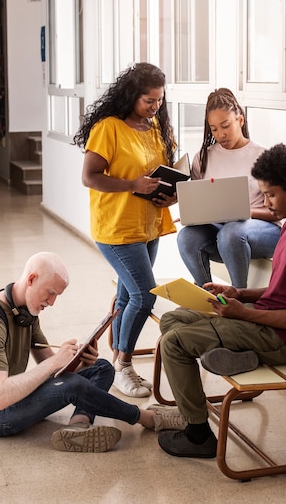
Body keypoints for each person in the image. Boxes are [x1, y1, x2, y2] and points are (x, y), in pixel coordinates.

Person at [157, 144, 286, 459]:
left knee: (174, 343)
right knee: (172, 319)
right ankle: (242, 355)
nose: (265, 203)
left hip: (280, 339)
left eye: (270, 195)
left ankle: (198, 434)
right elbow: (281, 291)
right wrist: (238, 293)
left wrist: (244, 314)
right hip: (261, 320)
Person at [0, 252, 187, 452]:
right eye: (50, 293)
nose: (52, 302)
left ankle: (79, 424)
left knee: (102, 367)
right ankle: (148, 418)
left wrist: (81, 363)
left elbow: (51, 367)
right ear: (32, 279)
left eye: (57, 295)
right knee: (73, 386)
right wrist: (57, 362)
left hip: (14, 396)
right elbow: (1, 396)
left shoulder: (25, 311)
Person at [73, 62, 178, 398]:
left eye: (160, 101)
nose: (155, 107)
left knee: (125, 294)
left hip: (147, 224)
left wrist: (168, 193)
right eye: (149, 100)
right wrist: (133, 184)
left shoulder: (154, 128)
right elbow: (90, 177)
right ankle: (123, 364)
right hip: (116, 228)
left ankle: (117, 358)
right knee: (144, 294)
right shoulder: (109, 128)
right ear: (132, 95)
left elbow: (156, 175)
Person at [177, 88, 281, 288]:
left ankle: (238, 297)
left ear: (240, 121)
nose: (220, 134)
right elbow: (200, 201)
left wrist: (242, 213)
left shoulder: (263, 156)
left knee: (232, 232)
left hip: (263, 231)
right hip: (222, 232)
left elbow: (277, 213)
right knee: (187, 236)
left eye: (225, 126)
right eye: (214, 129)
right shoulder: (203, 157)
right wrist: (192, 213)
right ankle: (205, 292)